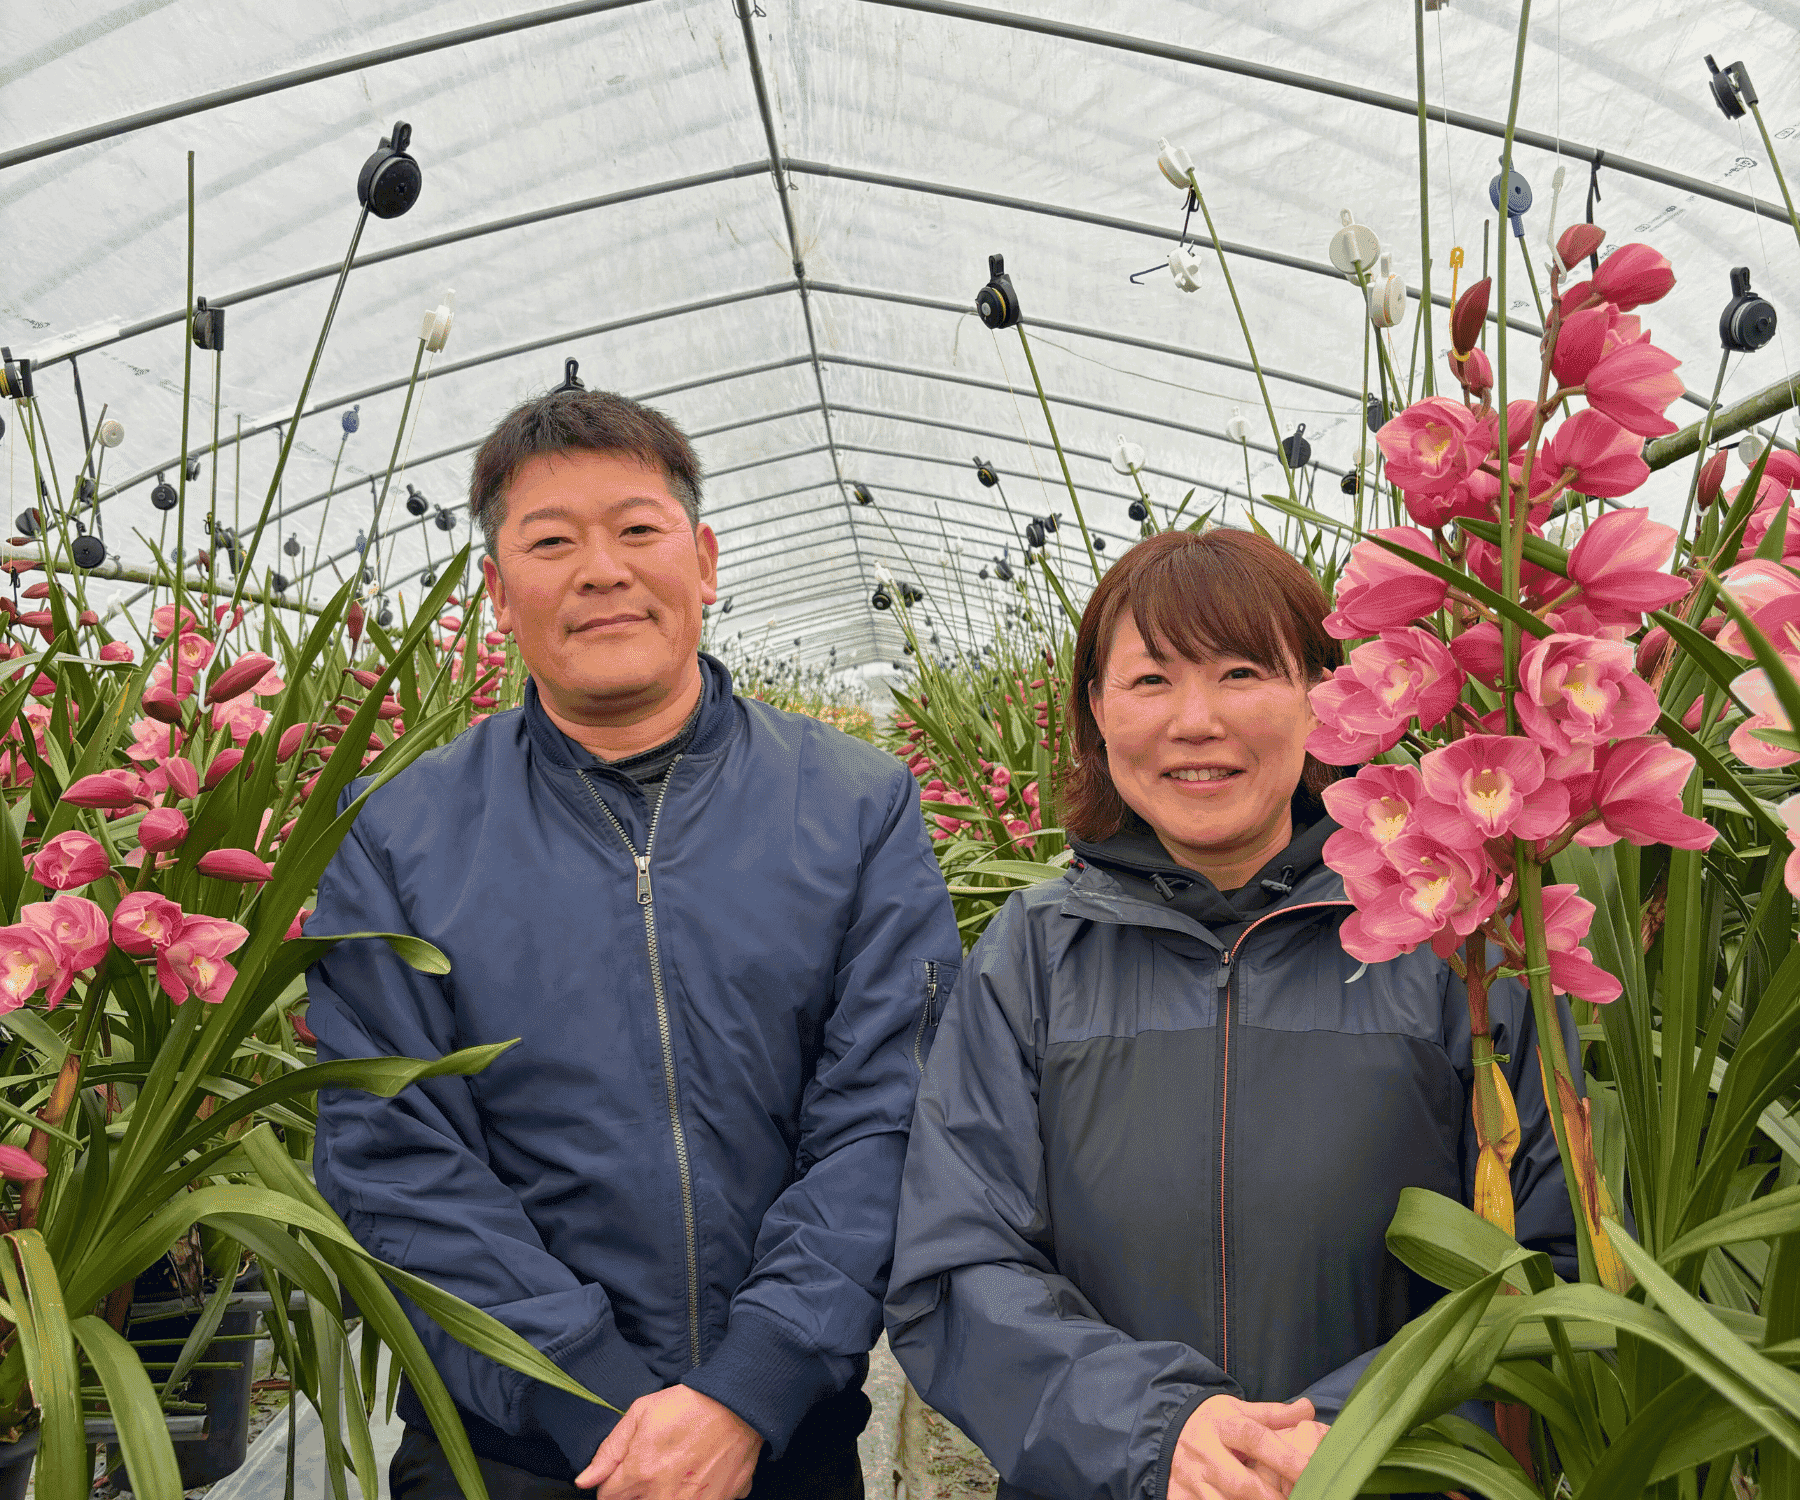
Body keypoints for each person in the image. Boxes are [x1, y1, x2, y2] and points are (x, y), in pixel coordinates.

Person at [308, 388, 963, 1500]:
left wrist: (748, 1387)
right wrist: (591, 1399)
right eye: (551, 542)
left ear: (703, 563)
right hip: (508, 1445)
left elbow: (883, 1118)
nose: (601, 570)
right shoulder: (398, 835)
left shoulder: (854, 804)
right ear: (498, 592)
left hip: (779, 1435)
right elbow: (393, 1151)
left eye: (638, 531)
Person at [885, 528, 1580, 1500]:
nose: (1196, 720)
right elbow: (956, 1269)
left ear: (1324, 699)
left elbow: (1548, 1264)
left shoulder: (1458, 945)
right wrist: (1159, 1431)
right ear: (1095, 710)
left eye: (1244, 671)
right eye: (1150, 681)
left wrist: (1343, 1440)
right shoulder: (1033, 956)